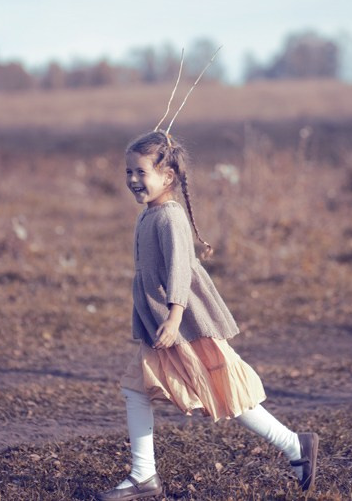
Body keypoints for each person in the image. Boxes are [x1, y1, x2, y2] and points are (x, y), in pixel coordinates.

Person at [98, 130, 319, 501]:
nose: (133, 180)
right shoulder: (149, 214)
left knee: (225, 393)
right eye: (128, 172)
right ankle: (144, 476)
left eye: (141, 172)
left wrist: (173, 317)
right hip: (162, 322)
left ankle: (295, 445)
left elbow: (180, 271)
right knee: (135, 388)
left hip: (185, 325)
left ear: (167, 177)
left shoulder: (169, 217)